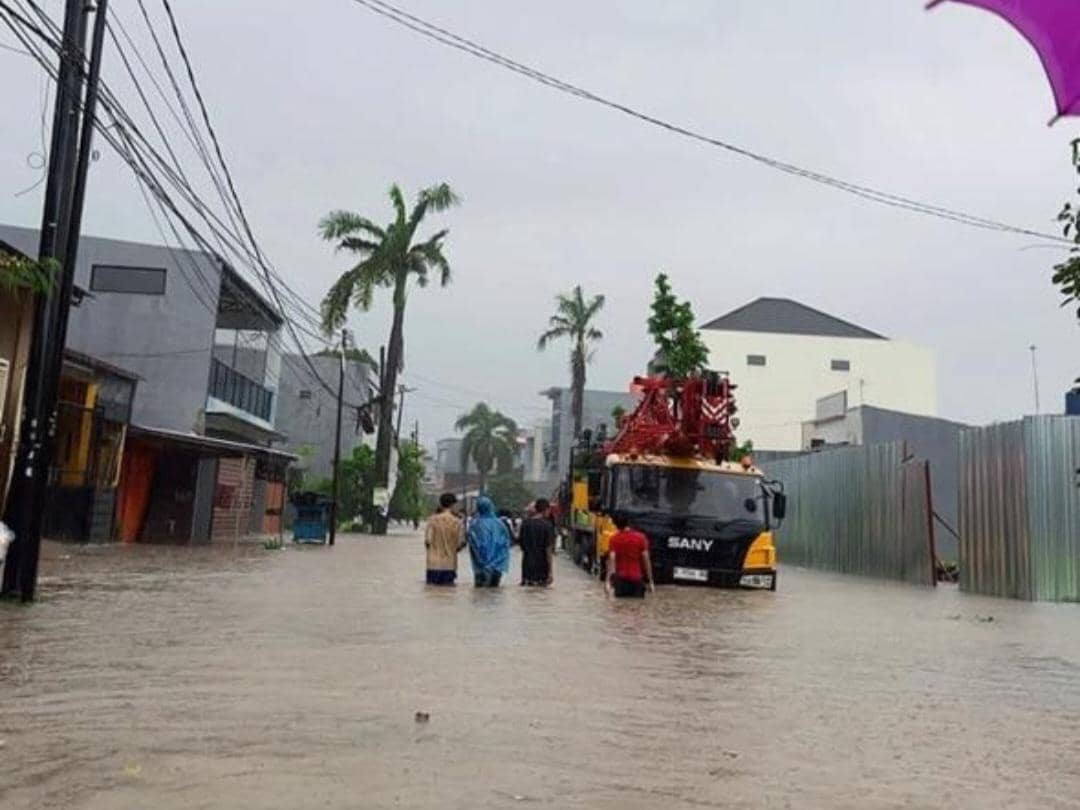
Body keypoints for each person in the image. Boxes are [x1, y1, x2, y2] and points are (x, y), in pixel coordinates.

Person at [606, 512, 655, 598]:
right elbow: (646, 560)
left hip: (621, 580)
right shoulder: (641, 538)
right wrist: (650, 581)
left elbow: (612, 560)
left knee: (620, 605)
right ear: (629, 523)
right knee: (638, 605)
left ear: (617, 525)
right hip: (637, 580)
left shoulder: (614, 539)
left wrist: (608, 582)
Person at [467, 496, 511, 588]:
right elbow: (506, 543)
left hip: (481, 566)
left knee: (480, 591)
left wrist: (482, 561)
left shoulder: (475, 524)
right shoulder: (500, 524)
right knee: (494, 591)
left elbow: (473, 544)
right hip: (497, 566)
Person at [424, 493, 465, 586]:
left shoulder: (432, 520)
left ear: (441, 503)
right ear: (452, 504)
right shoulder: (457, 522)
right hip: (449, 565)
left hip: (433, 565)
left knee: (431, 592)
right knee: (448, 592)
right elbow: (460, 543)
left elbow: (427, 541)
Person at [518, 498, 557, 586]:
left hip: (526, 570)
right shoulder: (548, 525)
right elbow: (548, 550)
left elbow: (521, 545)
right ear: (546, 509)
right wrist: (550, 572)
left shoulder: (525, 524)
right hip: (542, 571)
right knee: (541, 592)